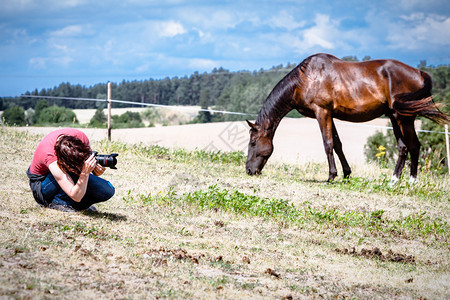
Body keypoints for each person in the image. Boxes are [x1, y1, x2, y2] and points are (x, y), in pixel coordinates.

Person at [26, 128, 115, 212]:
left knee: (107, 190)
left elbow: (86, 157)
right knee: (75, 188)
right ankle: (59, 202)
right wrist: (84, 173)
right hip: (43, 184)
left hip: (68, 173)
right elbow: (75, 195)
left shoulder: (81, 137)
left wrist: (94, 169)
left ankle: (76, 205)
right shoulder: (51, 157)